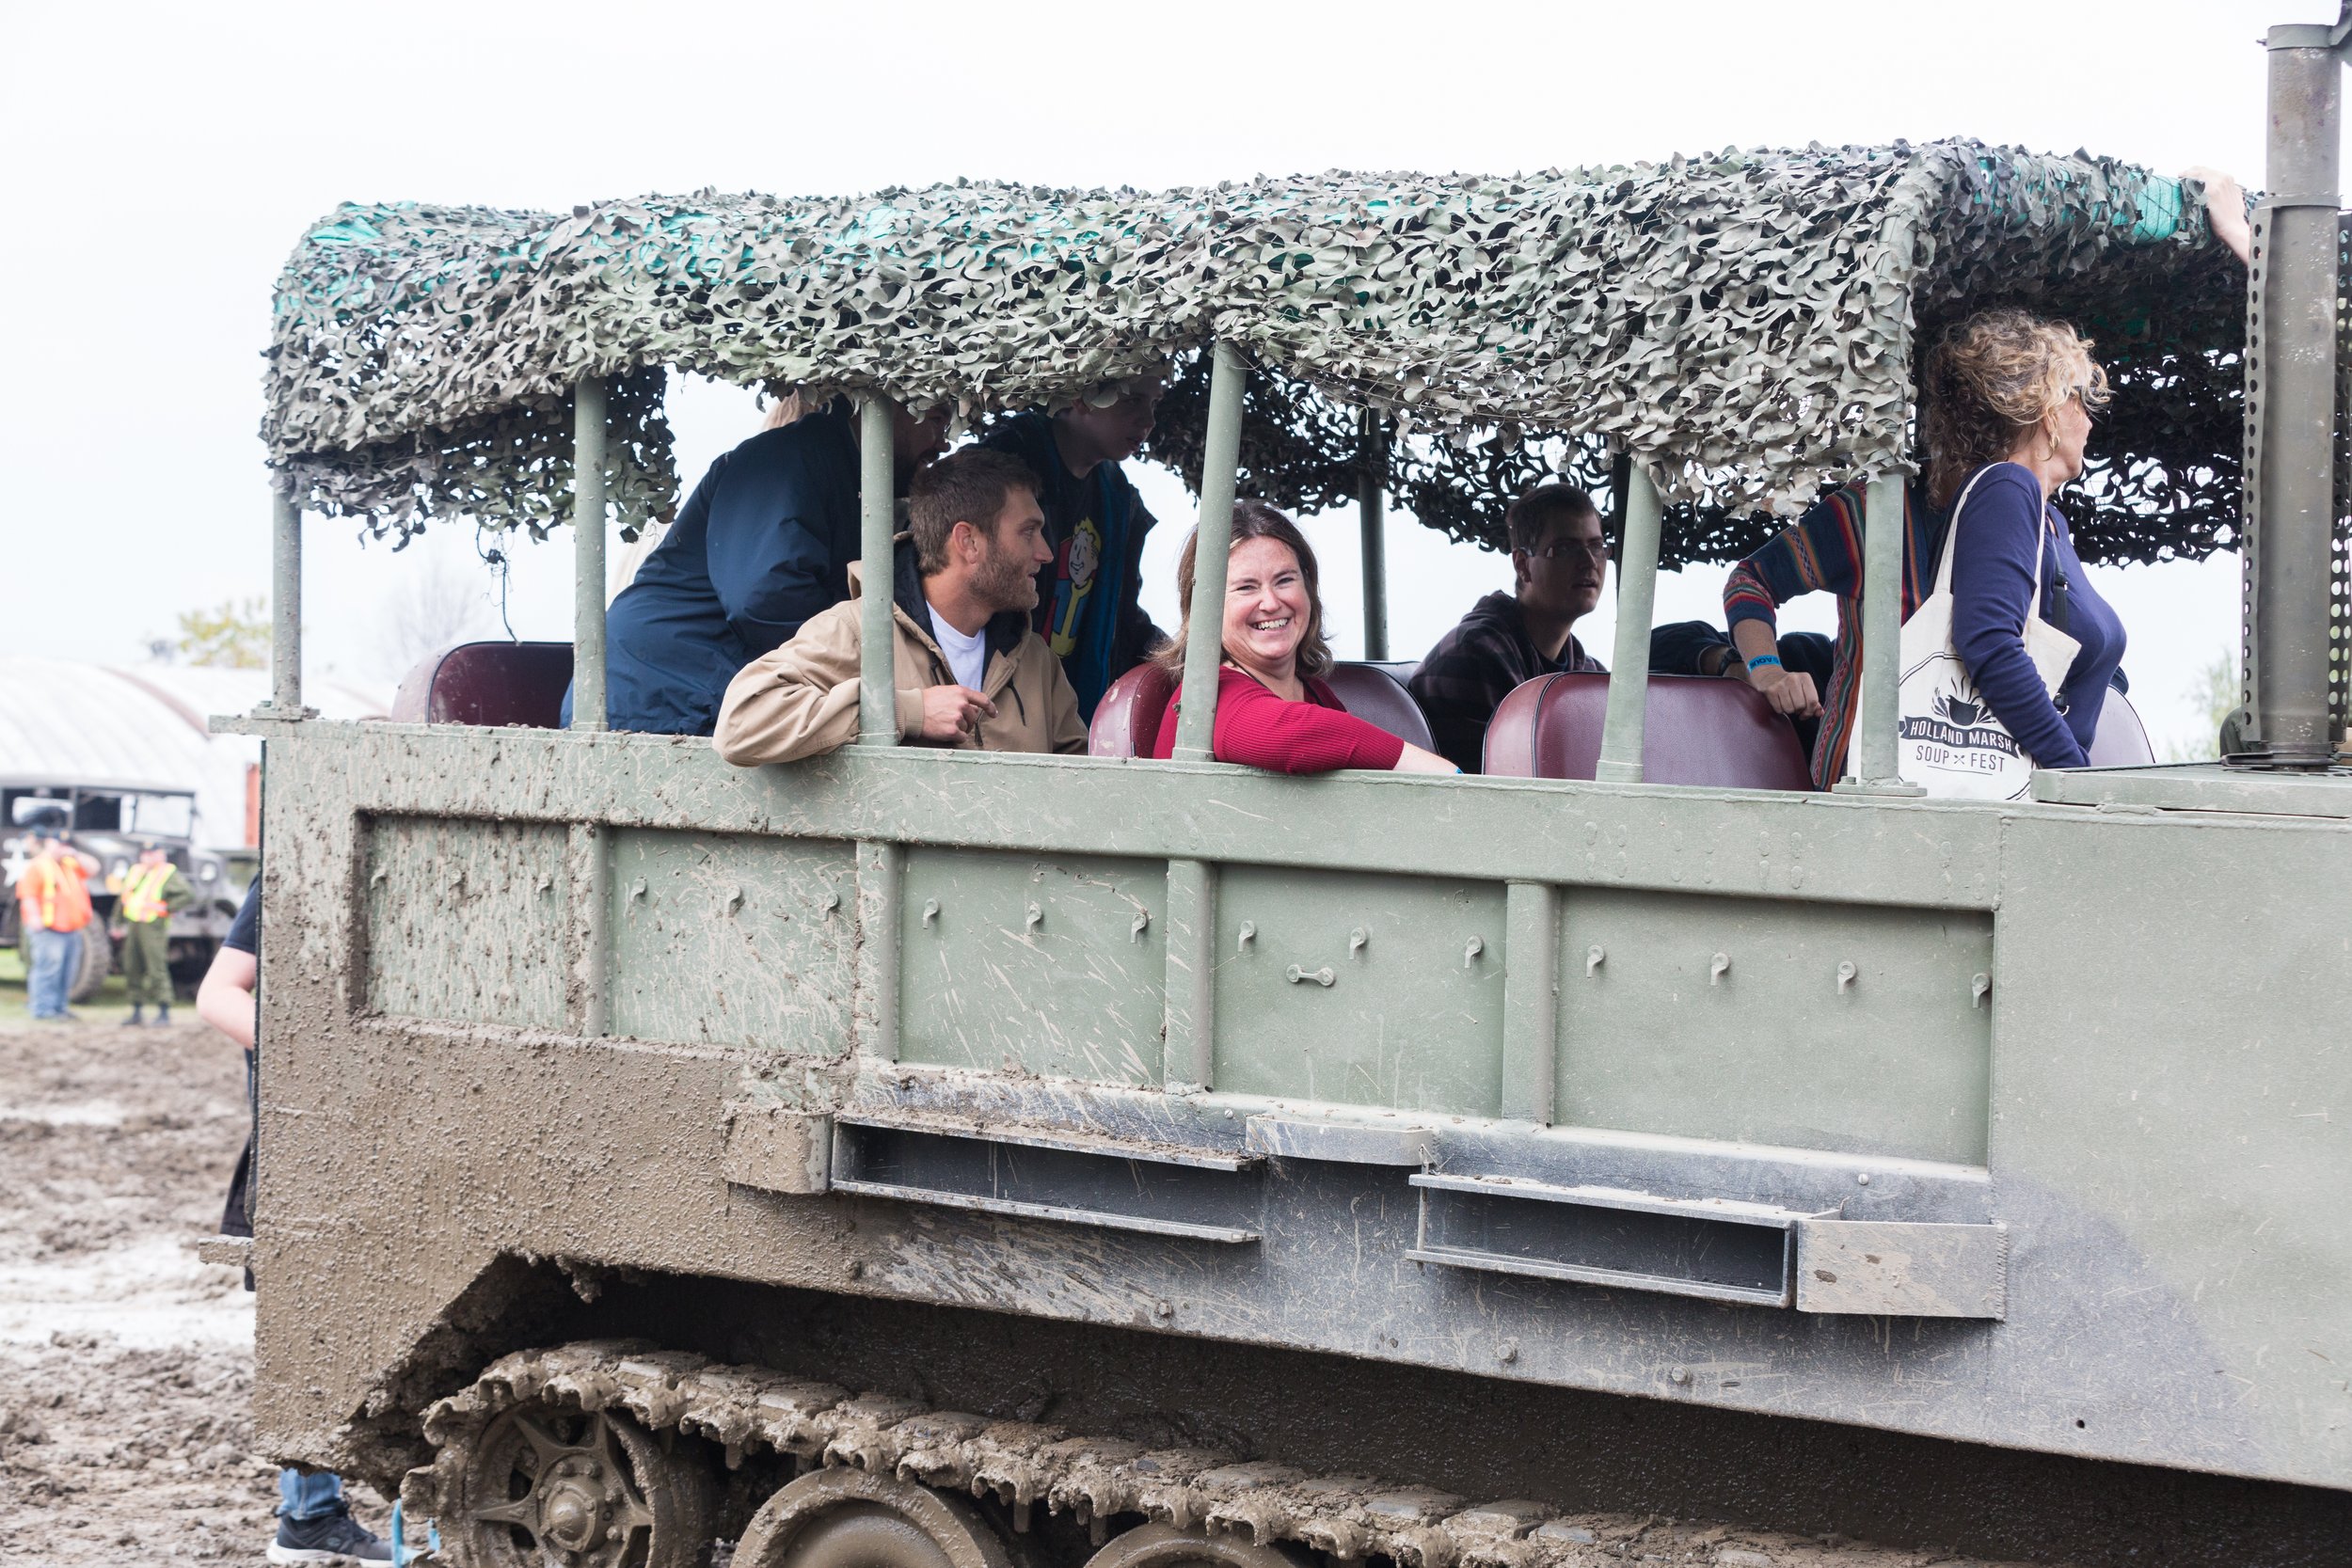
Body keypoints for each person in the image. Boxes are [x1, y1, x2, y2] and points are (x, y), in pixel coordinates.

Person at [196, 879, 392, 1564]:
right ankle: (308, 1513)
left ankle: (315, 1512)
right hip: (305, 1135)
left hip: (384, 1123)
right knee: (313, 1316)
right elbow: (218, 991)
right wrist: (308, 1052)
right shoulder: (288, 864)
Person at [586, 395, 948, 735]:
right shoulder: (790, 458)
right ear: (882, 407)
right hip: (662, 698)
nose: (944, 443)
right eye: (935, 420)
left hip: (688, 695)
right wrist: (887, 679)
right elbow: (764, 598)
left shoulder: (843, 472)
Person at [714, 448, 1085, 764]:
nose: (1046, 553)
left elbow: (1088, 781)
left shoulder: (1037, 661)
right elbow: (740, 723)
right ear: (968, 541)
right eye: (1028, 532)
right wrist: (908, 712)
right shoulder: (856, 630)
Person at [1918, 309, 2126, 768]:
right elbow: (1989, 642)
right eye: (2082, 400)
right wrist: (2070, 770)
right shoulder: (2007, 492)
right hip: (2024, 802)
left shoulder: (2046, 519)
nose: (2091, 421)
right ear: (2050, 410)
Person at [1149, 501, 1457, 774]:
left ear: (1308, 587)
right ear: (1204, 605)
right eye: (1246, 587)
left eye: (1284, 580)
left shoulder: (1313, 690)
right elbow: (1285, 733)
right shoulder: (1209, 696)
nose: (1270, 603)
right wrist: (1445, 774)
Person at [980, 379, 1167, 720]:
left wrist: (1182, 658)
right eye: (1133, 399)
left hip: (1070, 711)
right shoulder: (1004, 461)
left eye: (1154, 403)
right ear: (1082, 396)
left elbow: (1122, 622)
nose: (1148, 420)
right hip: (994, 702)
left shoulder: (1118, 496)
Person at [1407, 484, 1608, 773]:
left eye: (1597, 546)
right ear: (1523, 565)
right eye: (1565, 549)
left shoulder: (1584, 670)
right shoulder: (1476, 654)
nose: (1589, 562)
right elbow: (1499, 789)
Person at [16, 812, 96, 1022]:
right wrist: (35, 919)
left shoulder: (71, 864)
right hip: (48, 928)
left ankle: (60, 1008)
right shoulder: (38, 865)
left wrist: (75, 854)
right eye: (59, 844)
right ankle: (42, 1009)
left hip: (72, 928)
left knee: (66, 972)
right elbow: (28, 894)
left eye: (65, 844)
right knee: (47, 969)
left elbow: (94, 868)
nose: (62, 848)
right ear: (50, 843)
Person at [107, 841, 192, 1026]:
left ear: (160, 854)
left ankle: (164, 1010)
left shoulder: (167, 873)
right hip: (134, 925)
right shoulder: (136, 871)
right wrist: (117, 923)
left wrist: (168, 908)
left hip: (153, 926)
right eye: (145, 853)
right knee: (132, 966)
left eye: (152, 853)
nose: (147, 857)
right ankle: (136, 1009)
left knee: (156, 967)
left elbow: (187, 894)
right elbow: (124, 899)